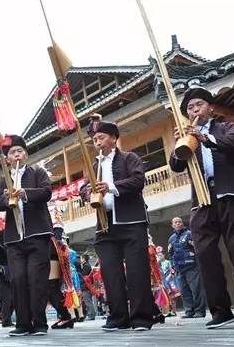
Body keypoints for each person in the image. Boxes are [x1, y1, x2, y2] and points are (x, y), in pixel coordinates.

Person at [170, 87, 234, 329]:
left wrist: (205, 138)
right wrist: (178, 144)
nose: (194, 110)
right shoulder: (186, 135)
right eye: (190, 108)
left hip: (231, 194)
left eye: (199, 105)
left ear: (209, 107)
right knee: (204, 254)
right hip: (203, 200)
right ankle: (221, 312)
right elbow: (176, 166)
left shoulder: (225, 127)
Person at [81, 119, 154, 331]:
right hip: (105, 226)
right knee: (110, 272)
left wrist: (111, 186)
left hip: (132, 222)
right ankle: (118, 317)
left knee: (136, 271)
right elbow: (85, 189)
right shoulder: (93, 166)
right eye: (94, 139)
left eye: (101, 138)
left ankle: (141, 318)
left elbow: (139, 181)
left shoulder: (129, 158)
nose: (98, 143)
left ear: (113, 139)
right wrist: (88, 193)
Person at [0, 135, 53, 337]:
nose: (16, 155)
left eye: (19, 151)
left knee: (36, 279)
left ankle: (40, 323)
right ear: (7, 158)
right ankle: (23, 323)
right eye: (12, 153)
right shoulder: (4, 178)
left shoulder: (37, 172)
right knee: (17, 279)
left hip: (37, 234)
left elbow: (46, 192)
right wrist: (7, 197)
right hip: (13, 238)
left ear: (26, 154)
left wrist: (24, 193)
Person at [167, 217, 205, 318]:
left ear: (182, 223)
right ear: (172, 225)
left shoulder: (189, 234)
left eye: (180, 222)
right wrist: (172, 267)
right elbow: (170, 254)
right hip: (179, 268)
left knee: (196, 289)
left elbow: (197, 248)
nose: (178, 223)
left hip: (192, 266)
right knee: (184, 291)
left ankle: (199, 311)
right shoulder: (171, 238)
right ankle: (189, 311)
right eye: (175, 222)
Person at [81, 254, 97, 321]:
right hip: (87, 286)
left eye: (81, 258)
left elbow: (84, 276)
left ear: (84, 259)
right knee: (88, 301)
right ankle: (91, 315)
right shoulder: (87, 265)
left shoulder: (86, 266)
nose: (80, 260)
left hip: (86, 286)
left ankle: (91, 315)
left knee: (88, 301)